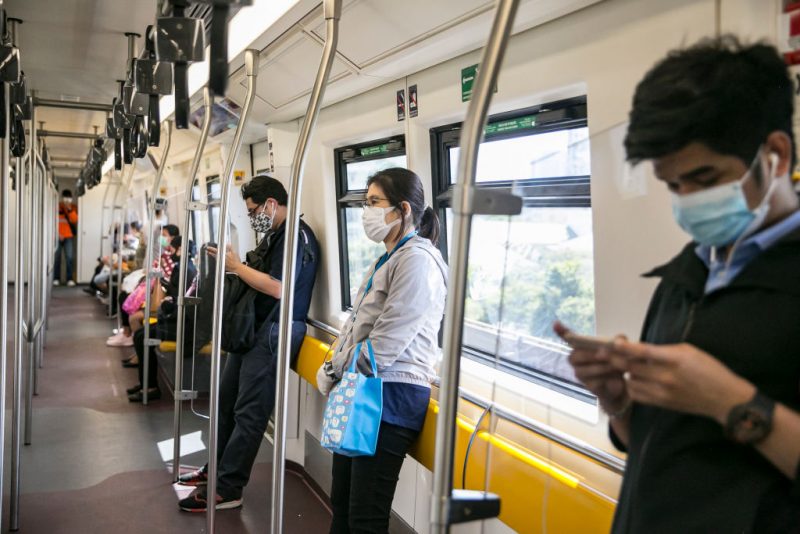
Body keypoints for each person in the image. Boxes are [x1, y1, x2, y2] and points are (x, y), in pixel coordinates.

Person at [557, 36, 800, 532]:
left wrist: (730, 400)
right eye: (673, 186)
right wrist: (620, 402)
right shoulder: (686, 273)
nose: (688, 201)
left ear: (775, 154)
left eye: (705, 178)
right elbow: (656, 445)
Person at [315, 168, 447, 533]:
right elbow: (357, 324)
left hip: (392, 393)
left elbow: (387, 340)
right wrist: (336, 364)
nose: (366, 212)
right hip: (366, 387)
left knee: (366, 515)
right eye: (365, 202)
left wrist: (335, 369)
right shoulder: (389, 258)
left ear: (403, 209)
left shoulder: (418, 261)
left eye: (374, 202)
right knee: (342, 501)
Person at [177, 174, 320, 512]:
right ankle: (215, 471)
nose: (253, 216)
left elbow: (279, 287)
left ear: (271, 203)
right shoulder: (275, 235)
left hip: (274, 332)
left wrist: (236, 267)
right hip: (254, 329)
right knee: (226, 402)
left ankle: (229, 487)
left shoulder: (295, 237)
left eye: (254, 210)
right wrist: (235, 265)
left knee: (250, 413)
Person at [128, 235, 196, 402]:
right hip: (176, 319)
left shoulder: (187, 271)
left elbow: (183, 301)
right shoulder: (181, 268)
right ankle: (145, 383)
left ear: (180, 250)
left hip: (184, 325)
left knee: (143, 336)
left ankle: (151, 387)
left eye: (171, 249)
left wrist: (167, 305)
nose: (169, 253)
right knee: (140, 335)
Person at [54, 189, 78, 286]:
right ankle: (56, 278)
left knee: (69, 258)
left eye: (69, 198)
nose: (67, 199)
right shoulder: (57, 206)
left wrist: (69, 209)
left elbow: (75, 220)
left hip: (69, 236)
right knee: (57, 258)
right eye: (65, 197)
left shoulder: (73, 207)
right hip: (57, 236)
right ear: (62, 198)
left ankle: (69, 279)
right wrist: (57, 233)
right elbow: (53, 220)